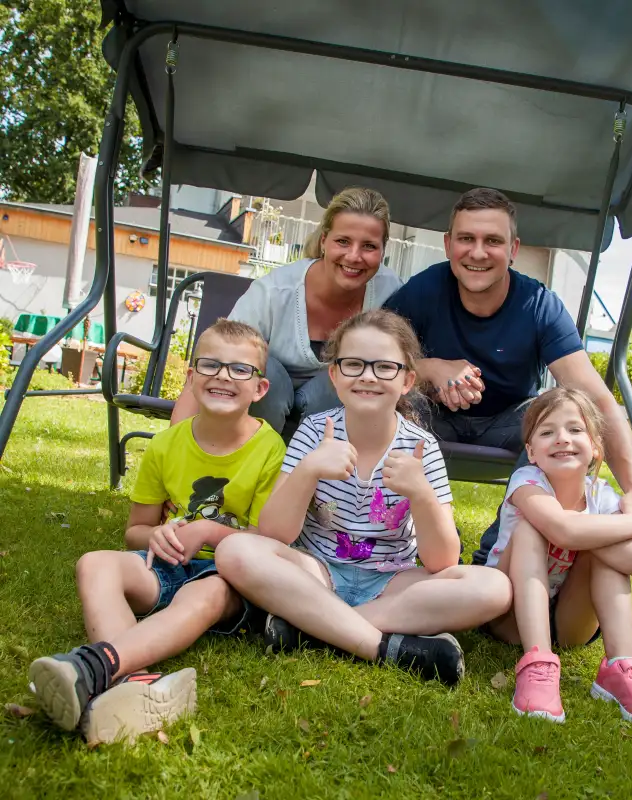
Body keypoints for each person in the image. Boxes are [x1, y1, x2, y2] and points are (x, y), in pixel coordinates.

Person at [215, 309, 512, 685]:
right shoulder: (313, 432)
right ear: (335, 376)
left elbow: (442, 560)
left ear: (407, 380)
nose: (368, 376)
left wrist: (420, 493)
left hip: (392, 584)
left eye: (384, 367)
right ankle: (384, 644)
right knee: (236, 550)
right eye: (354, 364)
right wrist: (309, 470)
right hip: (317, 572)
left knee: (494, 588)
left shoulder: (422, 448)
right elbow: (275, 533)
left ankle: (313, 627)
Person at [28, 320, 286, 744]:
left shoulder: (270, 448)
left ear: (259, 389)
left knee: (202, 593)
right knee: (94, 564)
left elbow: (269, 538)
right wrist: (155, 537)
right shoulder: (166, 445)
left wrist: (206, 530)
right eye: (210, 365)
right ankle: (133, 686)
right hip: (164, 563)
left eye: (240, 369)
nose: (223, 376)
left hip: (229, 577)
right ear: (190, 378)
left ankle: (97, 667)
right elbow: (135, 530)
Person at [383, 187, 632, 565]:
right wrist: (432, 368)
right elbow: (376, 361)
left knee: (554, 422)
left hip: (511, 420)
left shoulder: (539, 305)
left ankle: (494, 561)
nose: (478, 252)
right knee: (390, 406)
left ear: (514, 249)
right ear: (449, 244)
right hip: (433, 418)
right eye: (467, 239)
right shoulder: (424, 289)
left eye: (493, 241)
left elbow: (598, 401)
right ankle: (391, 544)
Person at [485, 387, 632, 727]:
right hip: (510, 617)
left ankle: (622, 668)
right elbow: (561, 530)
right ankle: (538, 662)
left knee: (605, 550)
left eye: (575, 430)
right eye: (547, 432)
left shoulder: (600, 495)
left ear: (595, 447)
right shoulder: (527, 482)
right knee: (533, 528)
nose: (562, 439)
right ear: (531, 451)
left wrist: (588, 532)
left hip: (573, 625)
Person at [171, 187, 402, 434]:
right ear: (324, 240)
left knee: (349, 376)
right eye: (343, 241)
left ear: (383, 250)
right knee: (257, 368)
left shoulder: (390, 291)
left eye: (369, 246)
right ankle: (251, 460)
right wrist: (174, 447)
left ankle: (322, 468)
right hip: (265, 401)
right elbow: (218, 359)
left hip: (329, 406)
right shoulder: (273, 292)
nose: (354, 256)